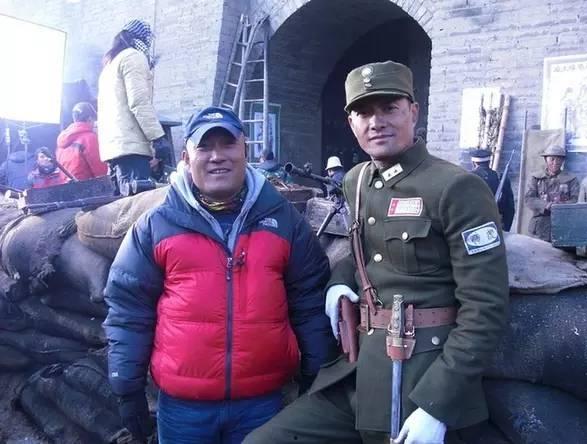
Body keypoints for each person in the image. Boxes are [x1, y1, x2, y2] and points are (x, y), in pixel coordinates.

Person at [245, 61, 509, 444]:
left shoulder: (456, 187)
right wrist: (339, 282)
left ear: (413, 113)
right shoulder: (357, 181)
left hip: (422, 376)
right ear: (351, 122)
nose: (376, 122)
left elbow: (486, 307)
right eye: (364, 112)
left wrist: (438, 405)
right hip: (360, 369)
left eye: (389, 108)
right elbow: (366, 252)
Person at [103, 106, 336, 443]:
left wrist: (316, 373)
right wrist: (126, 387)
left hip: (262, 406)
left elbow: (310, 301)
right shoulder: (156, 226)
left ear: (245, 151)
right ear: (186, 158)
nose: (217, 157)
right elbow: (128, 310)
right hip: (183, 410)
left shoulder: (284, 221)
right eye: (204, 147)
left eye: (228, 144)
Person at [97, 19, 172, 196]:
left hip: (115, 149)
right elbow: (138, 101)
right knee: (137, 204)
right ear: (140, 38)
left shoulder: (110, 65)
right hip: (132, 148)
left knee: (122, 204)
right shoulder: (133, 57)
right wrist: (158, 137)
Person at [525, 145, 579, 242]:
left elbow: (576, 200)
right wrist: (546, 205)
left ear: (563, 161)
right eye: (552, 159)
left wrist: (560, 206)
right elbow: (529, 199)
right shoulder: (536, 178)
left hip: (564, 224)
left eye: (559, 159)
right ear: (546, 160)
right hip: (540, 226)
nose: (555, 162)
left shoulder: (571, 179)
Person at [56, 102, 107, 182]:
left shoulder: (62, 140)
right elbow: (100, 170)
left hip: (66, 186)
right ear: (90, 119)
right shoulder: (89, 138)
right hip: (88, 186)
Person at [469, 149, 515, 231]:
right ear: (489, 162)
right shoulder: (501, 177)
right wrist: (506, 228)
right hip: (496, 225)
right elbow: (510, 208)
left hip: (473, 226)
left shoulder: (467, 178)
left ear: (473, 163)